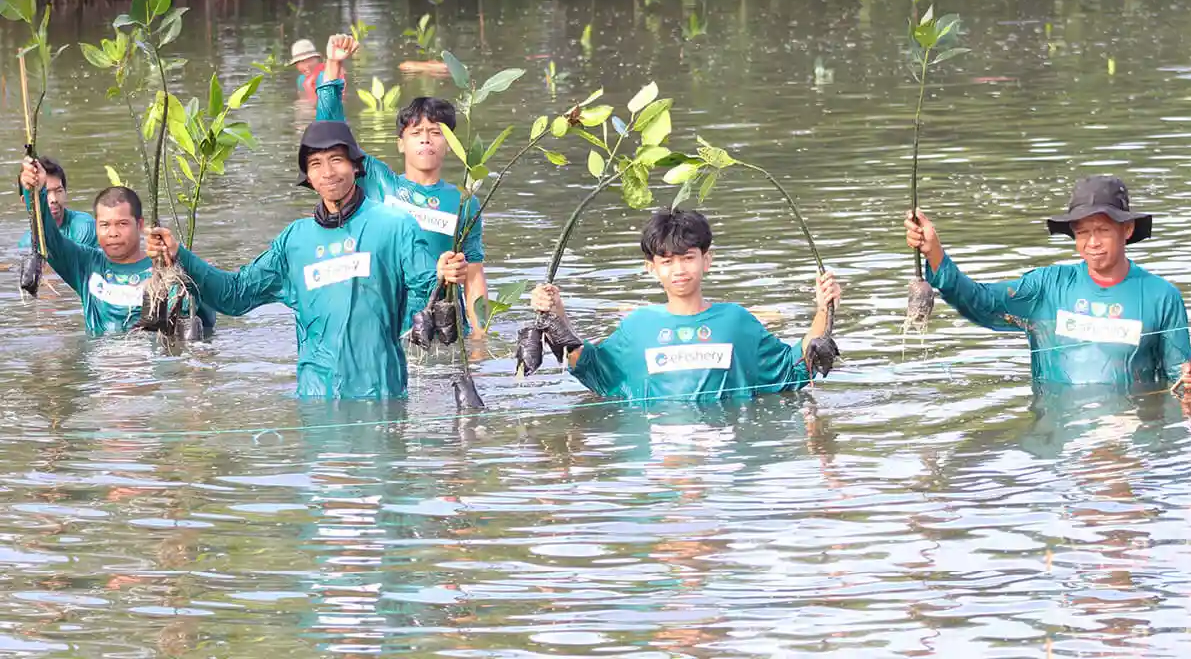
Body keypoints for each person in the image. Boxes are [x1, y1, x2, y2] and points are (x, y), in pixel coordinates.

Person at [145, 119, 468, 400]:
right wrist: (178, 254)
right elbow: (235, 295)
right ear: (308, 178)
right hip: (315, 399)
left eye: (336, 160)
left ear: (356, 165)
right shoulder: (294, 241)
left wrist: (445, 276)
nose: (328, 172)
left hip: (381, 395)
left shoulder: (395, 225)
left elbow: (430, 295)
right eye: (315, 164)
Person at [906, 174, 1191, 389]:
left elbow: (1180, 380)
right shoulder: (1046, 287)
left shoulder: (1162, 296)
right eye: (1083, 232)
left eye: (1103, 230)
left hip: (1131, 438)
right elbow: (980, 301)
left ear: (1127, 229)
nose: (1093, 242)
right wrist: (935, 253)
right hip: (1060, 443)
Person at [530, 207, 842, 405]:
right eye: (667, 261)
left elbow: (797, 366)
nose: (678, 270)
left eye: (688, 258)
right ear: (651, 267)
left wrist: (823, 308)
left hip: (721, 463)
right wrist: (555, 313)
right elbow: (588, 366)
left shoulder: (736, 322)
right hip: (660, 458)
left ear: (707, 260)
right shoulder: (637, 328)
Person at [316, 34, 489, 331]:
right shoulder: (378, 183)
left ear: (449, 144)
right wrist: (333, 65)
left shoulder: (464, 201)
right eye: (416, 132)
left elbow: (473, 275)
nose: (425, 137)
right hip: (383, 314)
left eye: (436, 132)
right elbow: (331, 134)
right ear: (400, 144)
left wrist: (480, 340)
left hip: (441, 319)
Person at [17, 158, 214, 336]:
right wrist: (34, 191)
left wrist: (200, 279)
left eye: (122, 224)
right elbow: (49, 239)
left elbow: (204, 326)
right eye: (105, 225)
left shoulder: (166, 270)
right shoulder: (85, 265)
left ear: (139, 225)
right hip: (100, 367)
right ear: (95, 226)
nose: (113, 233)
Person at [17, 157, 97, 249]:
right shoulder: (26, 242)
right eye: (45, 193)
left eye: (58, 191)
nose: (54, 199)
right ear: (26, 202)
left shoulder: (84, 225)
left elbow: (74, 259)